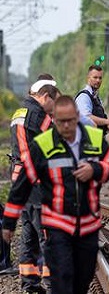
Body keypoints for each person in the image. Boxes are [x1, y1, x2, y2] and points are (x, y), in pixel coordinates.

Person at [2, 96, 109, 294]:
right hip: (58, 227)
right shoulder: (43, 145)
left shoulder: (94, 139)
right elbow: (22, 185)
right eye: (61, 121)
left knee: (82, 280)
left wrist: (95, 170)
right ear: (54, 119)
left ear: (77, 117)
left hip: (88, 227)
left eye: (70, 120)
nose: (66, 126)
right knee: (62, 279)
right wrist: (9, 222)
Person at [8, 78, 60, 293]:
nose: (53, 109)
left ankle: (30, 284)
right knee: (48, 235)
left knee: (28, 234)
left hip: (19, 181)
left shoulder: (18, 113)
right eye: (53, 103)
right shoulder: (39, 116)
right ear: (45, 96)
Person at [75, 64, 109, 134]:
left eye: (100, 78)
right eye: (95, 77)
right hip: (86, 140)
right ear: (88, 78)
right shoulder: (84, 97)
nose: (98, 80)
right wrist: (106, 121)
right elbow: (86, 117)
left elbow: (97, 116)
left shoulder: (95, 96)